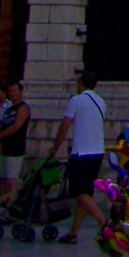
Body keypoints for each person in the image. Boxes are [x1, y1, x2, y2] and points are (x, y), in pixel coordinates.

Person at [52, 70, 107, 243]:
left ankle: (105, 223)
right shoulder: (101, 102)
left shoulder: (76, 100)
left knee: (77, 191)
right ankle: (73, 232)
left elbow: (65, 125)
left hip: (81, 152)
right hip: (98, 151)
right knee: (85, 192)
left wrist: (55, 147)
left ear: (81, 83)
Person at [0, 80, 31, 211]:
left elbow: (16, 126)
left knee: (12, 181)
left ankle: (9, 208)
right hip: (4, 149)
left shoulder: (23, 108)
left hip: (15, 149)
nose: (12, 94)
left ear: (20, 92)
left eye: (14, 91)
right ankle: (0, 207)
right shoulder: (8, 110)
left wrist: (0, 136)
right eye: (10, 91)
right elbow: (1, 126)